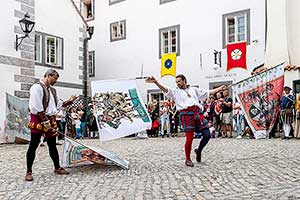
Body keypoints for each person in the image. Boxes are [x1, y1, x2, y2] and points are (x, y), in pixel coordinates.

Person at [146, 74, 225, 167]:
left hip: (197, 113)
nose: (177, 83)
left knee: (207, 135)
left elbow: (208, 92)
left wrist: (220, 88)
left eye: (179, 81)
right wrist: (156, 82)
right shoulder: (175, 91)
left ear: (184, 80)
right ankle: (187, 159)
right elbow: (165, 89)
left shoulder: (194, 89)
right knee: (190, 138)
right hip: (186, 114)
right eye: (176, 82)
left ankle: (198, 151)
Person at [25, 69, 77, 181]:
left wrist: (70, 101)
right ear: (48, 76)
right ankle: (28, 171)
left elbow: (57, 105)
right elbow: (36, 105)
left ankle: (57, 167)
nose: (56, 81)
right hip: (39, 118)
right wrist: (44, 120)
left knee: (52, 145)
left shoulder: (52, 90)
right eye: (55, 78)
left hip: (51, 119)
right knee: (33, 145)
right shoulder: (36, 87)